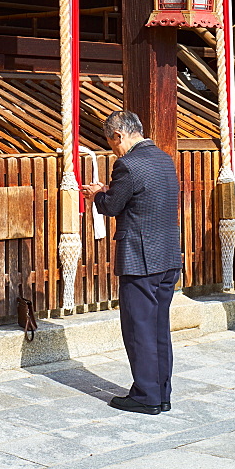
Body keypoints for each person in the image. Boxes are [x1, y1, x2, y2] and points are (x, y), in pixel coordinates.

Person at [82, 110, 182, 415]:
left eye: (112, 143)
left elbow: (113, 206)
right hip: (167, 255)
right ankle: (161, 392)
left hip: (140, 258)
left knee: (139, 328)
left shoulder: (127, 164)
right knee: (158, 328)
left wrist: (97, 194)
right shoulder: (164, 158)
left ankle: (146, 395)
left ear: (119, 135)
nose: (114, 149)